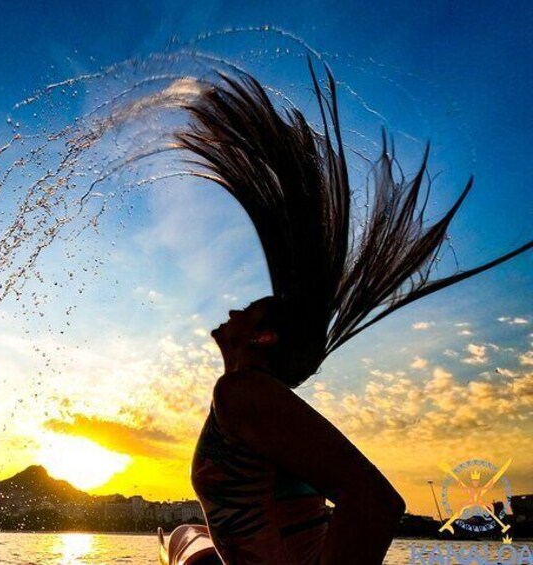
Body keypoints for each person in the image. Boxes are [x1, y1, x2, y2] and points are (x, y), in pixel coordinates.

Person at [160, 64, 533, 565]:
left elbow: (377, 505)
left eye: (248, 311)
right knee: (185, 533)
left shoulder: (242, 393)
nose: (232, 310)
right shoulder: (249, 401)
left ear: (265, 338)